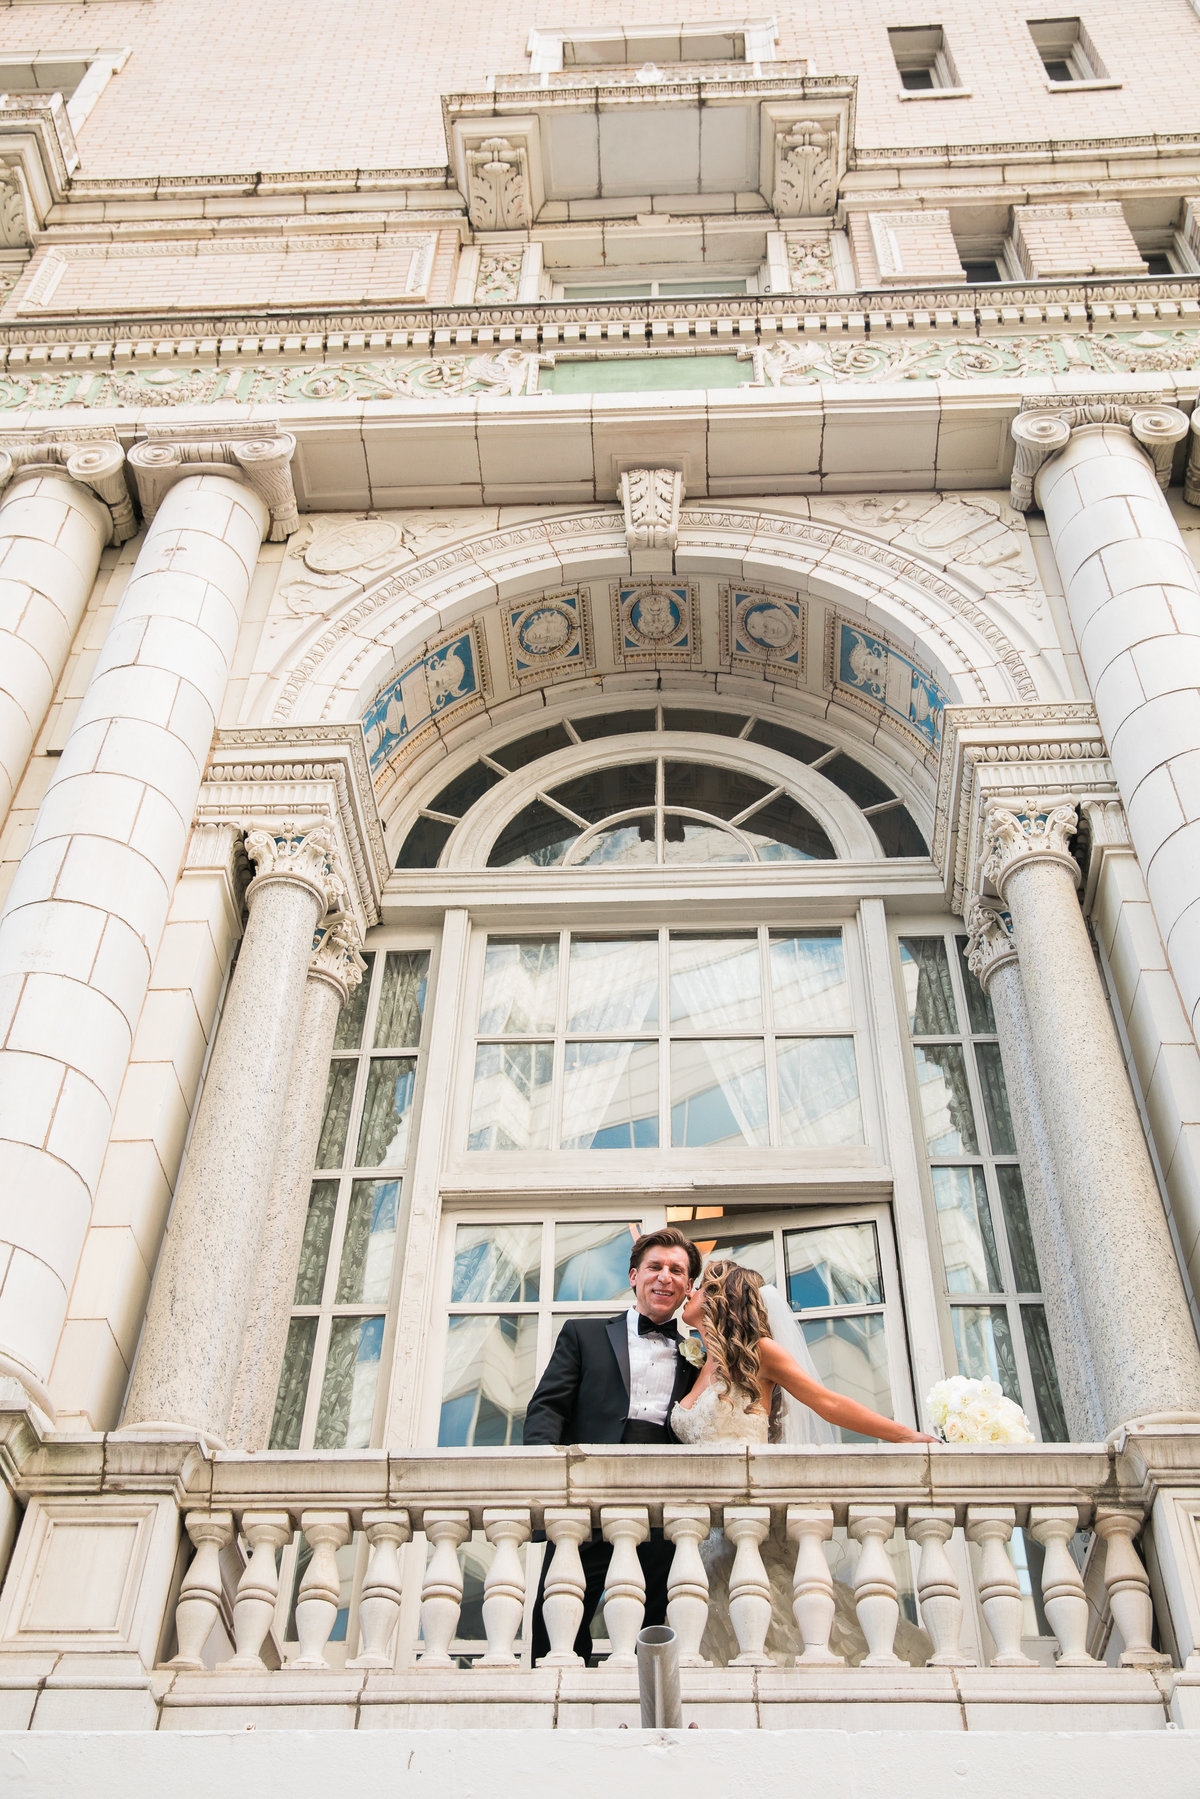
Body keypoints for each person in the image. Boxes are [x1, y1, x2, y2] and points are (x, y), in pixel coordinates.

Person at [672, 1258, 937, 1666]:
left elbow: (828, 1402)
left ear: (718, 1297)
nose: (688, 1288)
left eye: (700, 1283)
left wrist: (907, 1436)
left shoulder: (760, 1352)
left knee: (777, 1628)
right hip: (704, 1533)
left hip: (750, 1520)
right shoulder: (701, 1361)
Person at [523, 1226, 702, 1664]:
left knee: (656, 1610)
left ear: (688, 1288)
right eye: (655, 1267)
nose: (665, 1277)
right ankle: (556, 1710)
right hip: (586, 1492)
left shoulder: (698, 1355)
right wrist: (543, 1479)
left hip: (663, 1499)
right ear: (633, 1276)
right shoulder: (582, 1335)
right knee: (560, 1606)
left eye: (677, 1270)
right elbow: (547, 1409)